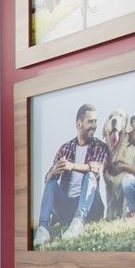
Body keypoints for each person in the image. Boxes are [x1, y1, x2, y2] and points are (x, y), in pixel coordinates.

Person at [34, 103, 110, 245]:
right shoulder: (65, 148)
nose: (94, 125)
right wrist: (53, 171)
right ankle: (43, 229)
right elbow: (47, 178)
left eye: (95, 121)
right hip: (66, 208)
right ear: (79, 123)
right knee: (51, 183)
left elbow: (97, 168)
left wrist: (72, 166)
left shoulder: (100, 147)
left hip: (91, 207)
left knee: (90, 175)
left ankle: (78, 222)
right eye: (90, 121)